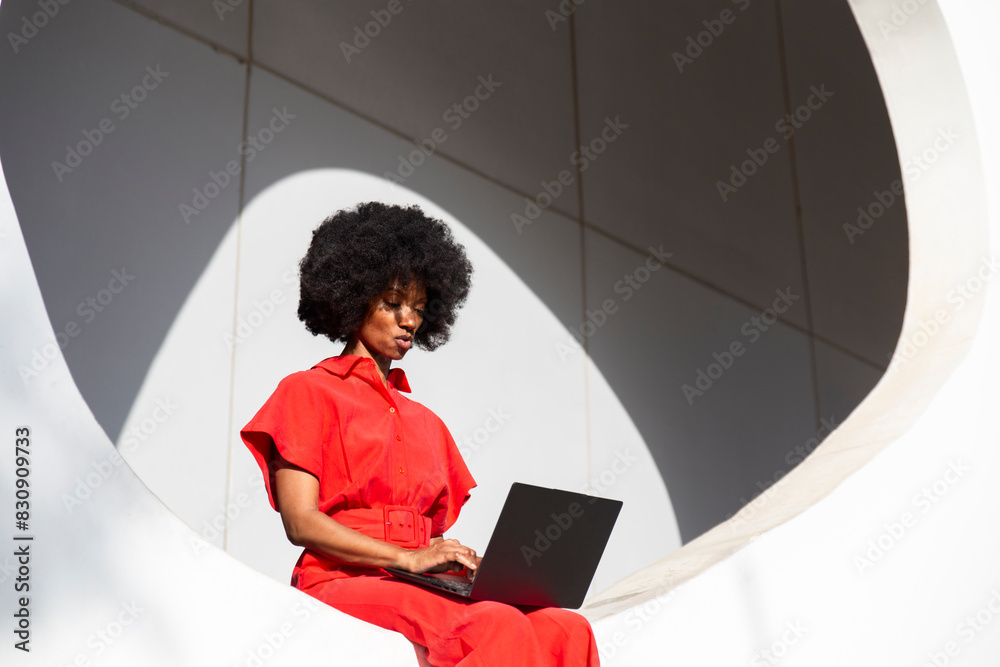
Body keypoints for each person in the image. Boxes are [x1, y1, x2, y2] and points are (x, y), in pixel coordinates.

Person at [241, 202, 600, 666]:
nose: (409, 320)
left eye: (419, 309)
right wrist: (406, 558)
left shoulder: (427, 423)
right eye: (392, 304)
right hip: (339, 580)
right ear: (351, 298)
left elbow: (427, 537)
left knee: (566, 626)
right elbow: (300, 522)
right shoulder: (307, 391)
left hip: (416, 583)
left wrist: (452, 558)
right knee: (494, 624)